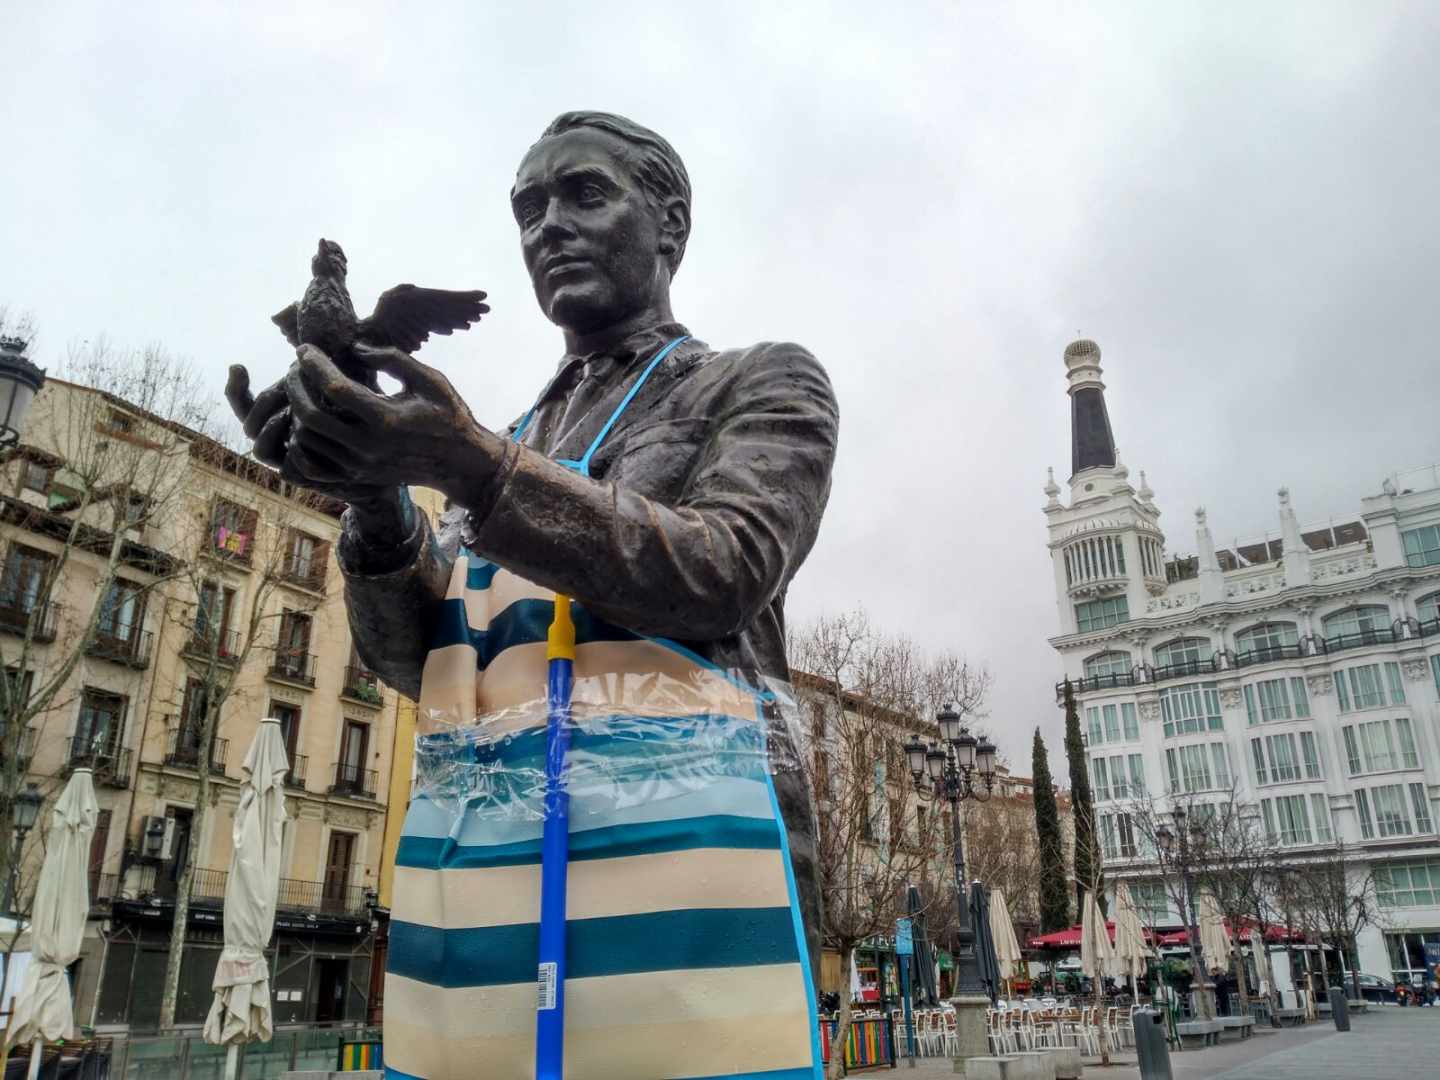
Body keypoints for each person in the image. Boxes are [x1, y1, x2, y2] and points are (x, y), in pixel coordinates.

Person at [227, 112, 838, 1079]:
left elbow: (723, 571)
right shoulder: (505, 433)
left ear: (670, 222)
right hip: (492, 900)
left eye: (583, 194)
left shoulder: (756, 382)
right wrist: (375, 502)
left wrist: (472, 466)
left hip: (688, 889)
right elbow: (423, 662)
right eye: (527, 210)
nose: (546, 227)